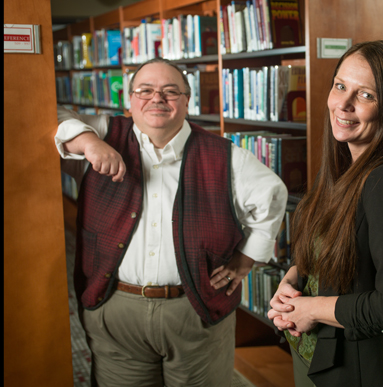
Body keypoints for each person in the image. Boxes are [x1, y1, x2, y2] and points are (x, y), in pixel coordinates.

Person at [55, 58, 288, 387]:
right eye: (145, 90)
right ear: (129, 100)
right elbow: (51, 113)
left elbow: (273, 194)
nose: (157, 98)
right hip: (115, 307)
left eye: (170, 91)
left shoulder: (225, 155)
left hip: (196, 312)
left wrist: (246, 259)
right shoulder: (104, 133)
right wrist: (90, 144)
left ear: (187, 99)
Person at [267, 40, 383, 386]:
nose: (343, 104)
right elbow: (332, 244)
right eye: (340, 86)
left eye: (366, 95)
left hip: (354, 370)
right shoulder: (344, 166)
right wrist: (292, 281)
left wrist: (310, 309)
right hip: (317, 353)